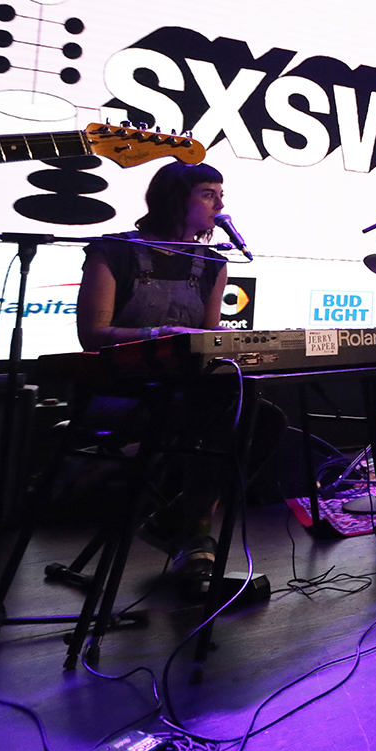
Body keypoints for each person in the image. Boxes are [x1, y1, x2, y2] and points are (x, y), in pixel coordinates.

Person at [75, 160, 230, 575]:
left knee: (263, 419)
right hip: (119, 390)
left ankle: (177, 521)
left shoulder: (213, 263)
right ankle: (194, 531)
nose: (218, 205)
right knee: (225, 413)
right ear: (174, 199)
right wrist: (164, 333)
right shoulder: (114, 251)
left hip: (182, 391)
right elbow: (93, 334)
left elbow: (208, 343)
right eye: (207, 194)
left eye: (220, 195)